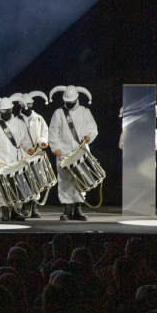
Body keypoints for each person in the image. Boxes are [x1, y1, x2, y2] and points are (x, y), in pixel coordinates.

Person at [48, 85, 98, 221]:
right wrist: (55, 147)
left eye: (71, 101)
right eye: (67, 101)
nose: (69, 103)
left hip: (80, 150)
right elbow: (53, 132)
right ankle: (67, 207)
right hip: (63, 152)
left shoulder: (85, 112)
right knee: (64, 180)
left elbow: (93, 128)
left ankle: (78, 208)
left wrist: (89, 137)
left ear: (77, 99)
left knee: (80, 178)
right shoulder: (59, 113)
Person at [0, 97, 36, 221]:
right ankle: (5, 210)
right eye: (3, 111)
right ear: (0, 110)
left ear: (11, 109)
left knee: (18, 185)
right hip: (1, 160)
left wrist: (29, 148)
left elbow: (25, 141)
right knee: (1, 187)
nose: (5, 113)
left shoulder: (19, 123)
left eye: (7, 111)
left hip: (16, 160)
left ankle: (17, 210)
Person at [13, 92, 50, 218]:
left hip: (35, 153)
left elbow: (44, 132)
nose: (27, 107)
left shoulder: (38, 118)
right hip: (22, 155)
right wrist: (26, 148)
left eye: (29, 104)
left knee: (35, 178)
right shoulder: (16, 121)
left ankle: (34, 206)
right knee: (24, 179)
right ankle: (25, 205)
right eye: (25, 105)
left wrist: (42, 141)